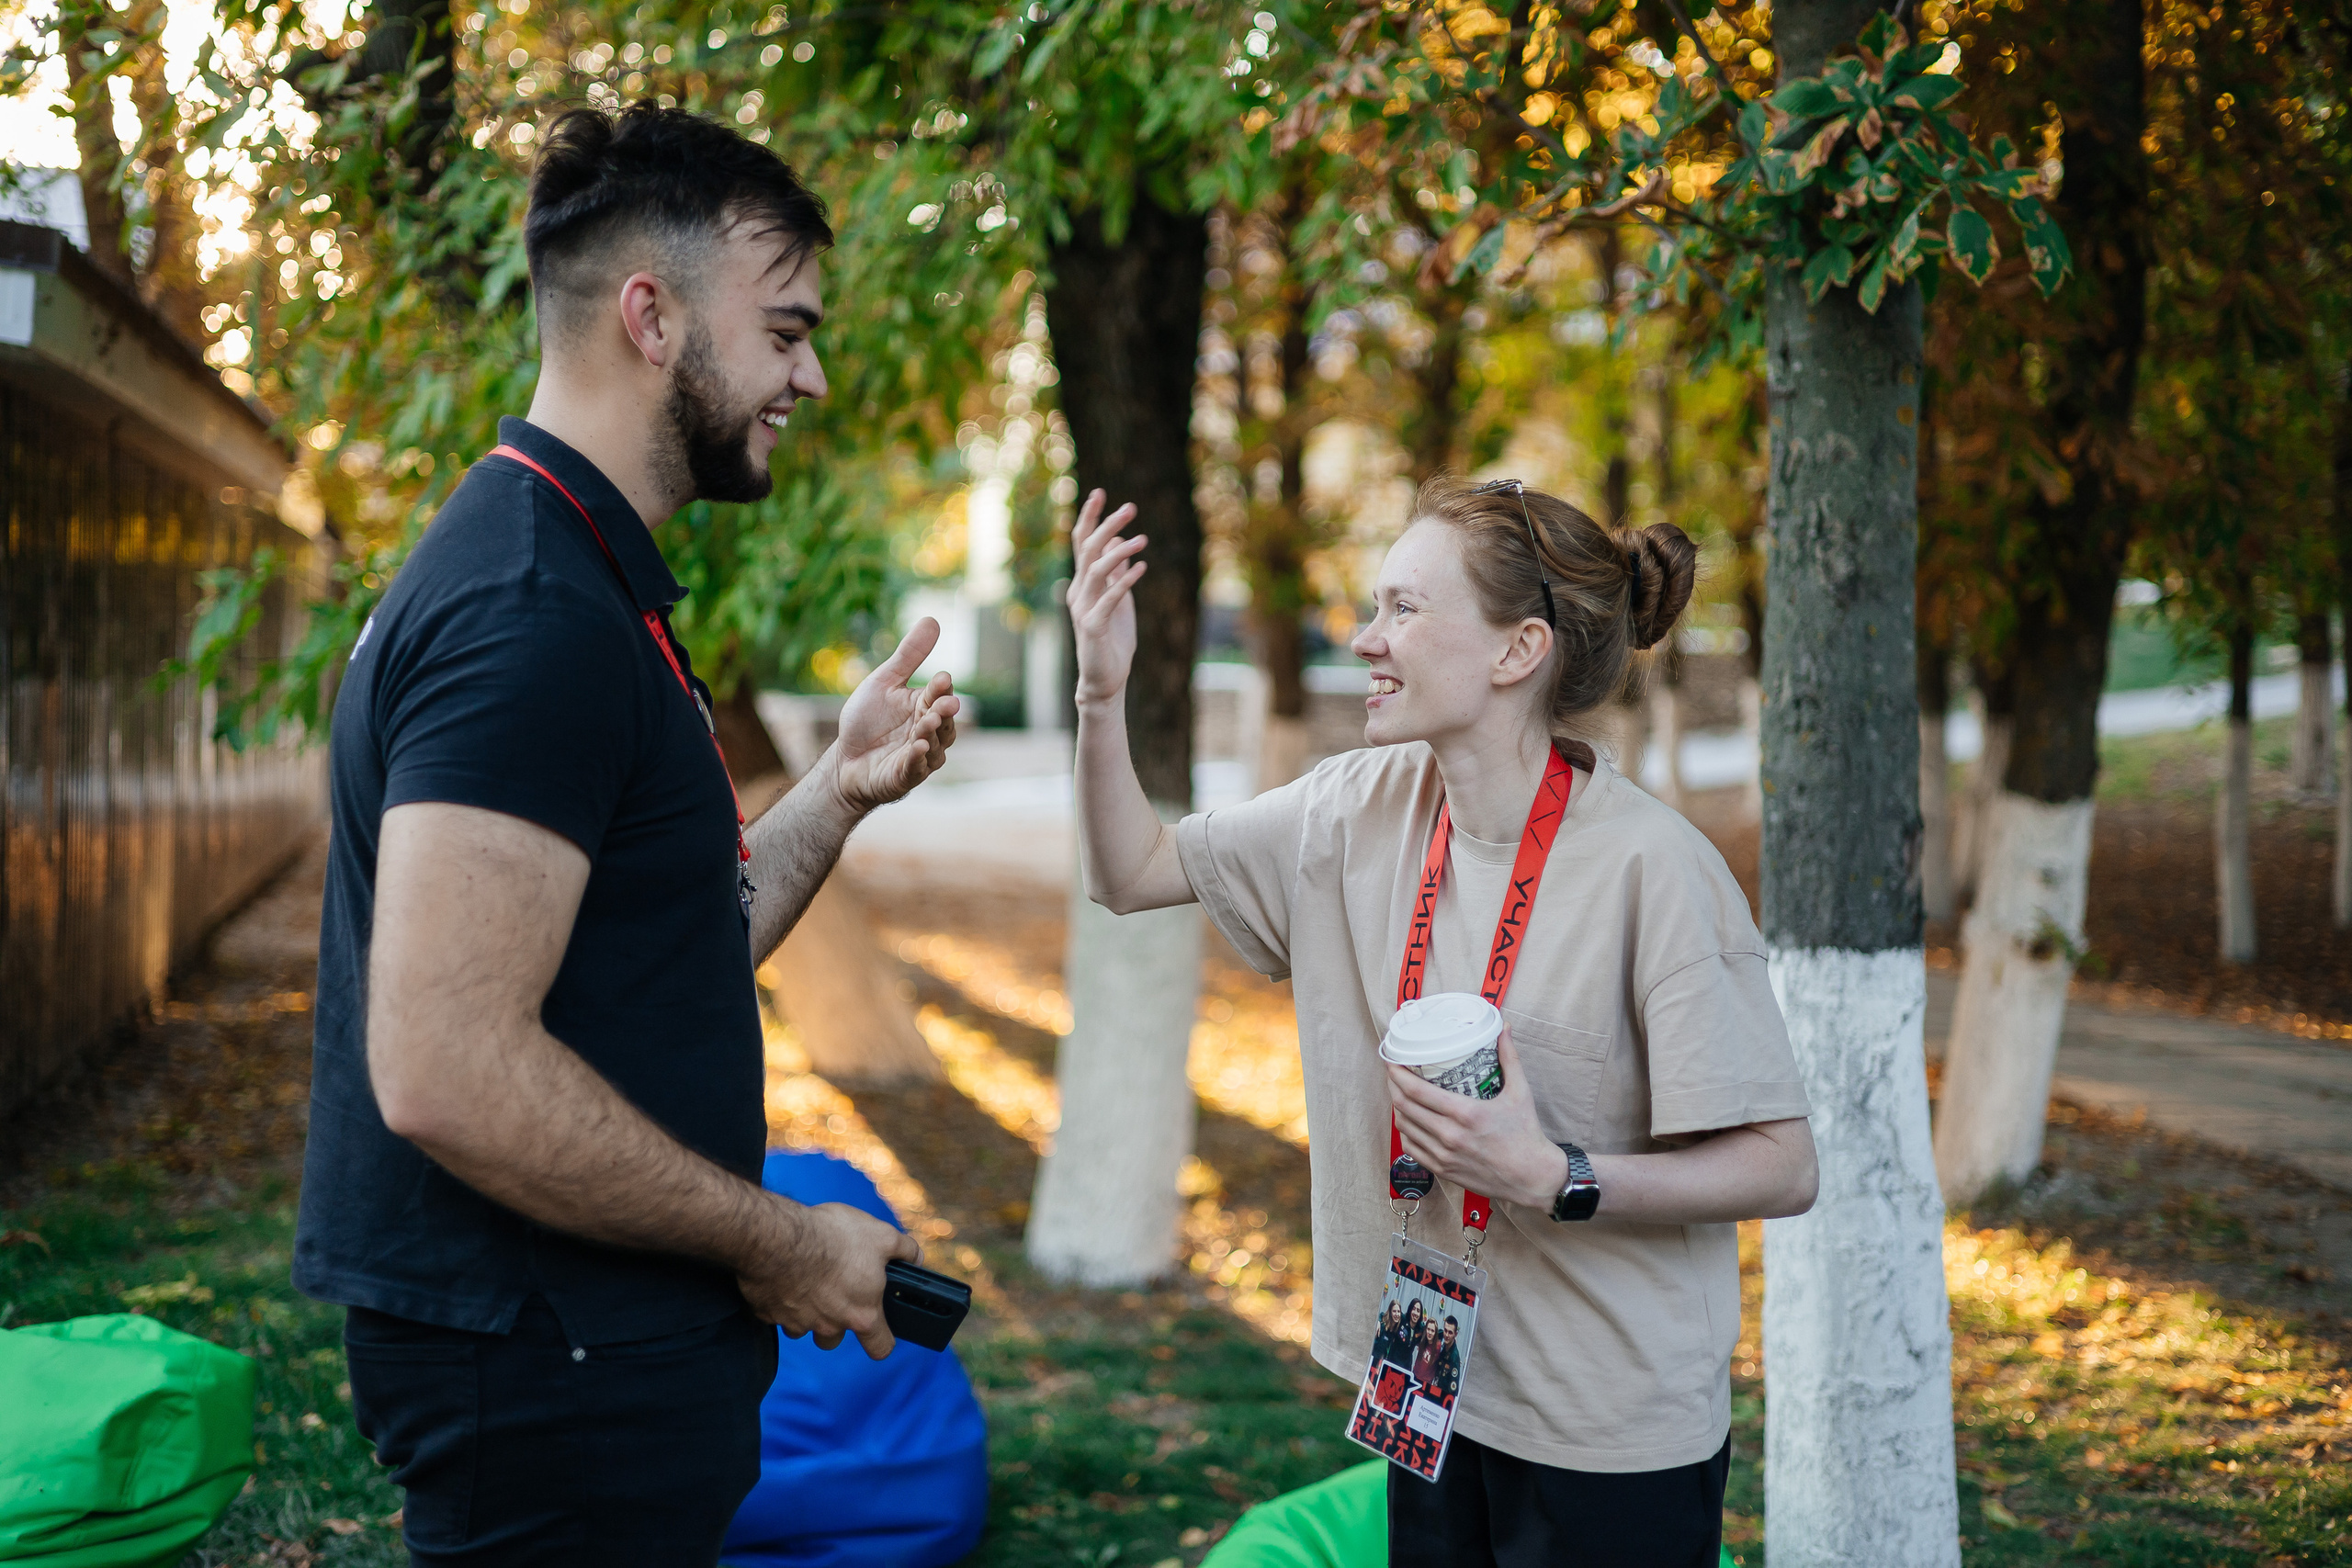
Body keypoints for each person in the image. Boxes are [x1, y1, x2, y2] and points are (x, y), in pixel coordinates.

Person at [293, 104, 959, 1566]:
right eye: (784, 331)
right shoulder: (530, 612)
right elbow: (447, 1065)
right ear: (652, 318)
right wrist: (784, 1243)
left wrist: (835, 791)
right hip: (548, 1367)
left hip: (585, 1357)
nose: (812, 373)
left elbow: (667, 947)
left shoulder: (578, 576)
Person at [1068, 476, 1819, 1568]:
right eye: (1375, 607)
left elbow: (1782, 1166)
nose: (1367, 640)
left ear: (1518, 652)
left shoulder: (1655, 871)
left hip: (1604, 1434)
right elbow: (1130, 872)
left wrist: (1551, 1175)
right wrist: (1101, 692)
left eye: (1403, 610)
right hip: (1425, 1384)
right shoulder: (1352, 807)